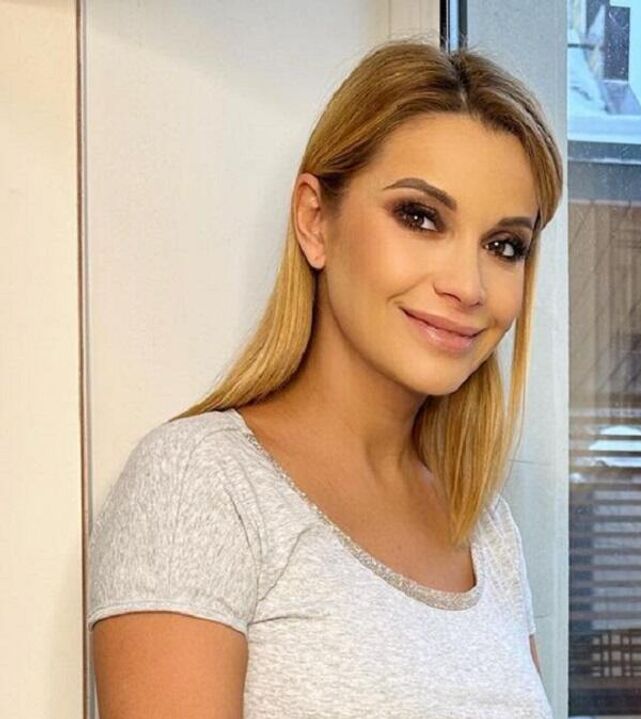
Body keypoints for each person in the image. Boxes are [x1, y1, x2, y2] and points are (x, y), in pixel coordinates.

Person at [87, 39, 562, 718]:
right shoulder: (203, 484)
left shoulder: (487, 529)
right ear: (315, 220)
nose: (468, 285)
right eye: (420, 217)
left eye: (504, 245)